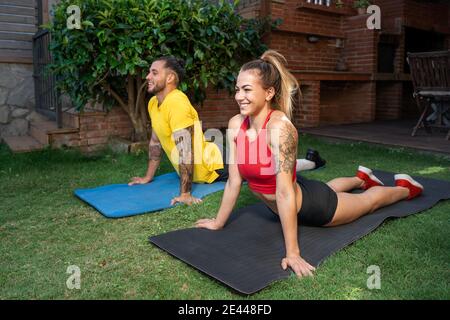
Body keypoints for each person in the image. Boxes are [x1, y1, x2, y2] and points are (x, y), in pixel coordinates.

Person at [195, 50, 424, 278]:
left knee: (368, 202)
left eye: (247, 90)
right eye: (237, 89)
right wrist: (218, 222)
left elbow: (284, 193)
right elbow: (234, 181)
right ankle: (360, 179)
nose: (239, 96)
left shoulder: (279, 129)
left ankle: (405, 187)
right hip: (295, 194)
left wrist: (292, 253)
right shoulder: (236, 125)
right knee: (328, 187)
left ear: (268, 93)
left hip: (314, 207)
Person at [129, 56, 325, 206]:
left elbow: (185, 148)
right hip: (209, 158)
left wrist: (186, 193)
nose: (148, 76)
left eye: (154, 72)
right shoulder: (154, 103)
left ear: (170, 77)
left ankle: (311, 162)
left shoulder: (176, 102)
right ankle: (309, 160)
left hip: (213, 162)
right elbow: (156, 141)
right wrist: (148, 177)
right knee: (265, 162)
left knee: (266, 167)